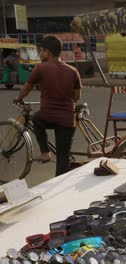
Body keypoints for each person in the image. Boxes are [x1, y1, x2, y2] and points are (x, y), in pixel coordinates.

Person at [13, 36, 82, 176]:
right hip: (68, 119)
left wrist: (18, 98)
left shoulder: (40, 68)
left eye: (41, 51)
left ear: (47, 52)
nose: (40, 53)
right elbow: (76, 96)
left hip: (47, 116)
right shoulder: (72, 70)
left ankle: (45, 152)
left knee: (36, 120)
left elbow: (26, 88)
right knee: (63, 158)